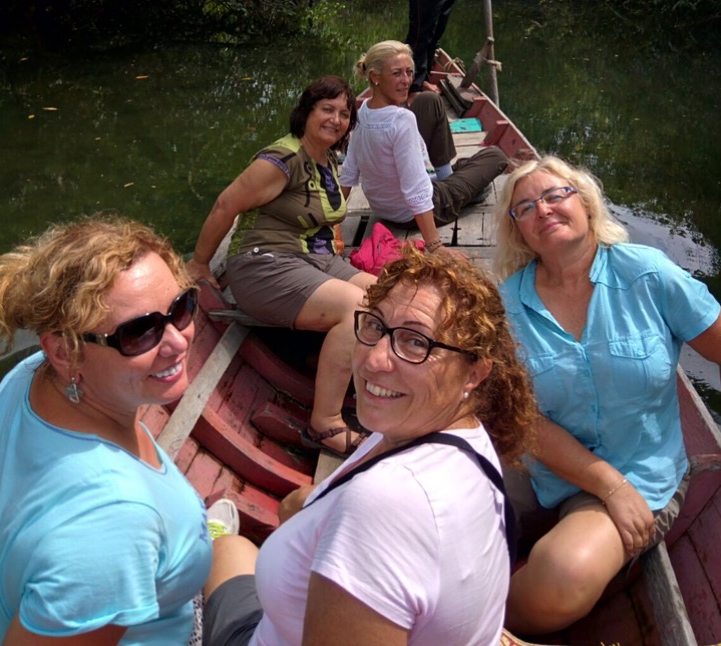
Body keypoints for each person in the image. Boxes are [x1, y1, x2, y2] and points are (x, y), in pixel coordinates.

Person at [201, 247, 539, 646]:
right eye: (375, 327)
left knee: (221, 550)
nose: (375, 360)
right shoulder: (464, 437)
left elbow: (382, 514)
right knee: (237, 546)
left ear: (475, 373)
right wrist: (306, 510)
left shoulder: (384, 503)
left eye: (416, 343)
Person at [494, 155, 721, 636]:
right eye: (527, 207)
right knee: (421, 511)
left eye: (556, 195)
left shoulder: (649, 275)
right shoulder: (508, 303)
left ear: (587, 204)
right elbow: (522, 419)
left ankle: (462, 624)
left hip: (640, 473)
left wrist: (619, 488)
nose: (544, 210)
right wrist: (605, 484)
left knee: (562, 578)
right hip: (538, 467)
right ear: (518, 231)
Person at [0, 216, 211, 644]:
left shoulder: (29, 377)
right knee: (241, 558)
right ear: (64, 351)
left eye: (181, 308)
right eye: (138, 332)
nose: (178, 341)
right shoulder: (111, 528)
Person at [186, 76, 376, 457]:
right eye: (327, 110)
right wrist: (199, 264)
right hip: (262, 265)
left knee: (389, 297)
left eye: (344, 114)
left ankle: (324, 356)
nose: (336, 120)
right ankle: (325, 424)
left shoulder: (326, 159)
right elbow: (225, 206)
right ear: (306, 112)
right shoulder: (283, 159)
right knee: (357, 308)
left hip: (312, 259)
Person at [341, 41, 508, 253]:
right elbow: (416, 188)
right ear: (375, 77)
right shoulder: (402, 120)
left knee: (429, 100)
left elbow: (349, 170)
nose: (406, 81)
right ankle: (451, 186)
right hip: (417, 211)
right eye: (396, 74)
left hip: (383, 208)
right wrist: (435, 245)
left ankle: (448, 177)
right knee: (496, 156)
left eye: (409, 72)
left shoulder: (364, 110)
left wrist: (329, 217)